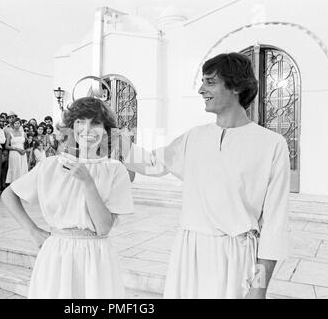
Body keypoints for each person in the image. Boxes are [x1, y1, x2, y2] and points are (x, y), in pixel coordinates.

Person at [123, 53, 290, 299]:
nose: (201, 89)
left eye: (210, 82)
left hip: (236, 259)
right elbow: (152, 163)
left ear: (235, 86)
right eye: (203, 82)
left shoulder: (272, 145)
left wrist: (259, 288)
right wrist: (112, 138)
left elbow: (275, 226)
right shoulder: (195, 137)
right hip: (189, 254)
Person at [1, 97, 134, 298]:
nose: (87, 129)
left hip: (96, 255)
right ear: (71, 127)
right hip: (56, 252)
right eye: (80, 121)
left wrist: (87, 181)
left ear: (106, 130)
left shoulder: (115, 170)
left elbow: (104, 227)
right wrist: (33, 231)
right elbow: (9, 194)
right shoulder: (51, 165)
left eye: (96, 123)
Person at [5, 118, 28, 184]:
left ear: (20, 124)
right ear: (13, 124)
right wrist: (17, 149)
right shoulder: (9, 133)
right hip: (14, 153)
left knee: (22, 169)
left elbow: (27, 144)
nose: (17, 125)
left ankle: (22, 185)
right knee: (15, 169)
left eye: (18, 123)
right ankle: (14, 185)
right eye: (15, 123)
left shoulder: (24, 133)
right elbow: (6, 146)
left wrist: (24, 150)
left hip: (22, 153)